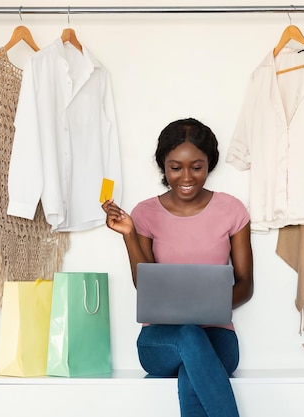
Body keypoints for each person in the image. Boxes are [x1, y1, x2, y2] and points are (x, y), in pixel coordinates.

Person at [102, 117, 253, 417]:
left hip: (218, 338)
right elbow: (143, 285)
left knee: (192, 367)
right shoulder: (144, 213)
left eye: (196, 167)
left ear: (209, 164)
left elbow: (245, 283)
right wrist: (130, 234)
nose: (186, 177)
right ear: (163, 166)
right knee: (188, 336)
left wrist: (208, 310)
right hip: (160, 341)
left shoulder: (232, 210)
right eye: (176, 167)